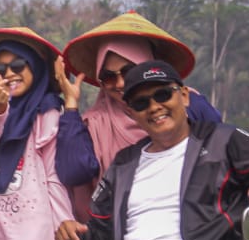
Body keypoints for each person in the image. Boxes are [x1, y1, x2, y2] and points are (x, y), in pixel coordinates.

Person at [55, 61, 249, 240]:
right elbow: (102, 233)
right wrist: (76, 235)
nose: (155, 107)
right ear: (133, 113)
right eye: (142, 103)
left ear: (184, 96)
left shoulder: (224, 140)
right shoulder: (124, 163)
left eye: (163, 95)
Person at [58, 12, 223, 222]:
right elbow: (74, 173)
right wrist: (71, 106)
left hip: (192, 226)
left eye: (129, 71)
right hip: (124, 235)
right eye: (108, 77)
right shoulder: (94, 123)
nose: (119, 84)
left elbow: (221, 153)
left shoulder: (189, 103)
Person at [0, 27, 76, 240]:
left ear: (35, 66)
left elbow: (53, 173)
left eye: (18, 65)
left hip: (36, 228)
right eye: (0, 68)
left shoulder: (47, 110)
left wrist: (63, 221)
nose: (10, 73)